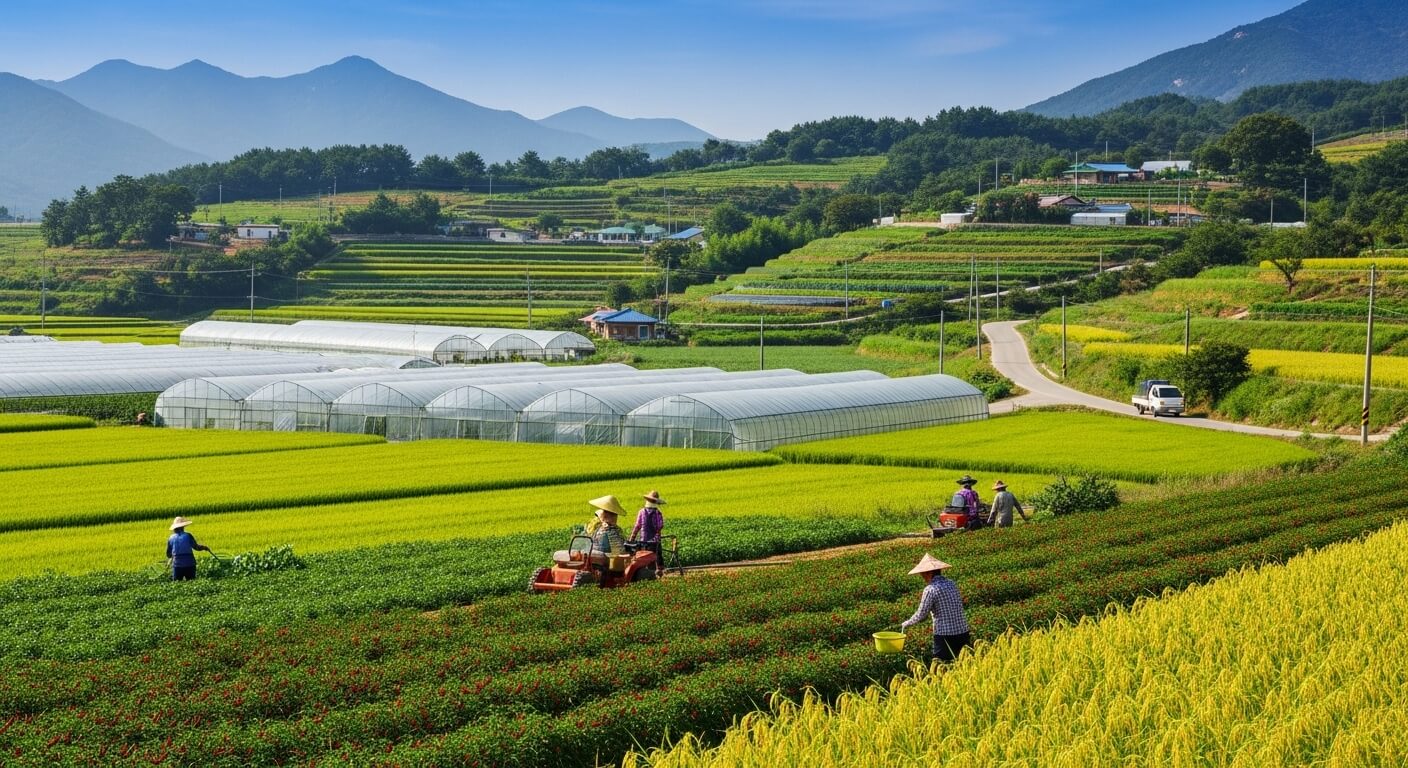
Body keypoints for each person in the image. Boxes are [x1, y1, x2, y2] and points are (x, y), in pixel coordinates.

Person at [900, 553, 971, 662]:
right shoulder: (952, 583)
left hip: (945, 636)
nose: (922, 576)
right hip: (963, 631)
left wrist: (906, 623)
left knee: (942, 666)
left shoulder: (930, 589)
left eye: (922, 574)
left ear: (929, 572)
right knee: (964, 664)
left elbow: (921, 614)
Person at [166, 516, 211, 581]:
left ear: (174, 528)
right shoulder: (188, 535)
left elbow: (168, 554)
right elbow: (196, 547)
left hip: (177, 565)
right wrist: (204, 547)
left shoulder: (171, 538)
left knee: (177, 584)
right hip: (190, 564)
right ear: (183, 527)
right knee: (191, 582)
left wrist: (173, 555)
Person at [632, 490, 666, 569]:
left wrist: (632, 538)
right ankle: (659, 570)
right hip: (655, 541)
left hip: (643, 540)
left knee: (644, 557)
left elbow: (637, 526)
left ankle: (646, 571)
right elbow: (660, 527)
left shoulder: (641, 512)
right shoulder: (658, 513)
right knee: (657, 556)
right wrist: (658, 537)